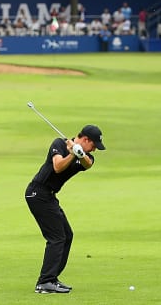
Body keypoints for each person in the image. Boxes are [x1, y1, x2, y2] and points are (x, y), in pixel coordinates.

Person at [25, 124, 106, 294]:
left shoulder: (85, 155)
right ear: (85, 139)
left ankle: (52, 278)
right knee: (57, 237)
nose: (94, 149)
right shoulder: (59, 144)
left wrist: (79, 152)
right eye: (93, 145)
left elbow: (88, 164)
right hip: (37, 193)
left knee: (67, 235)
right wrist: (71, 153)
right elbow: (57, 166)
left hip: (49, 196)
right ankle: (45, 282)